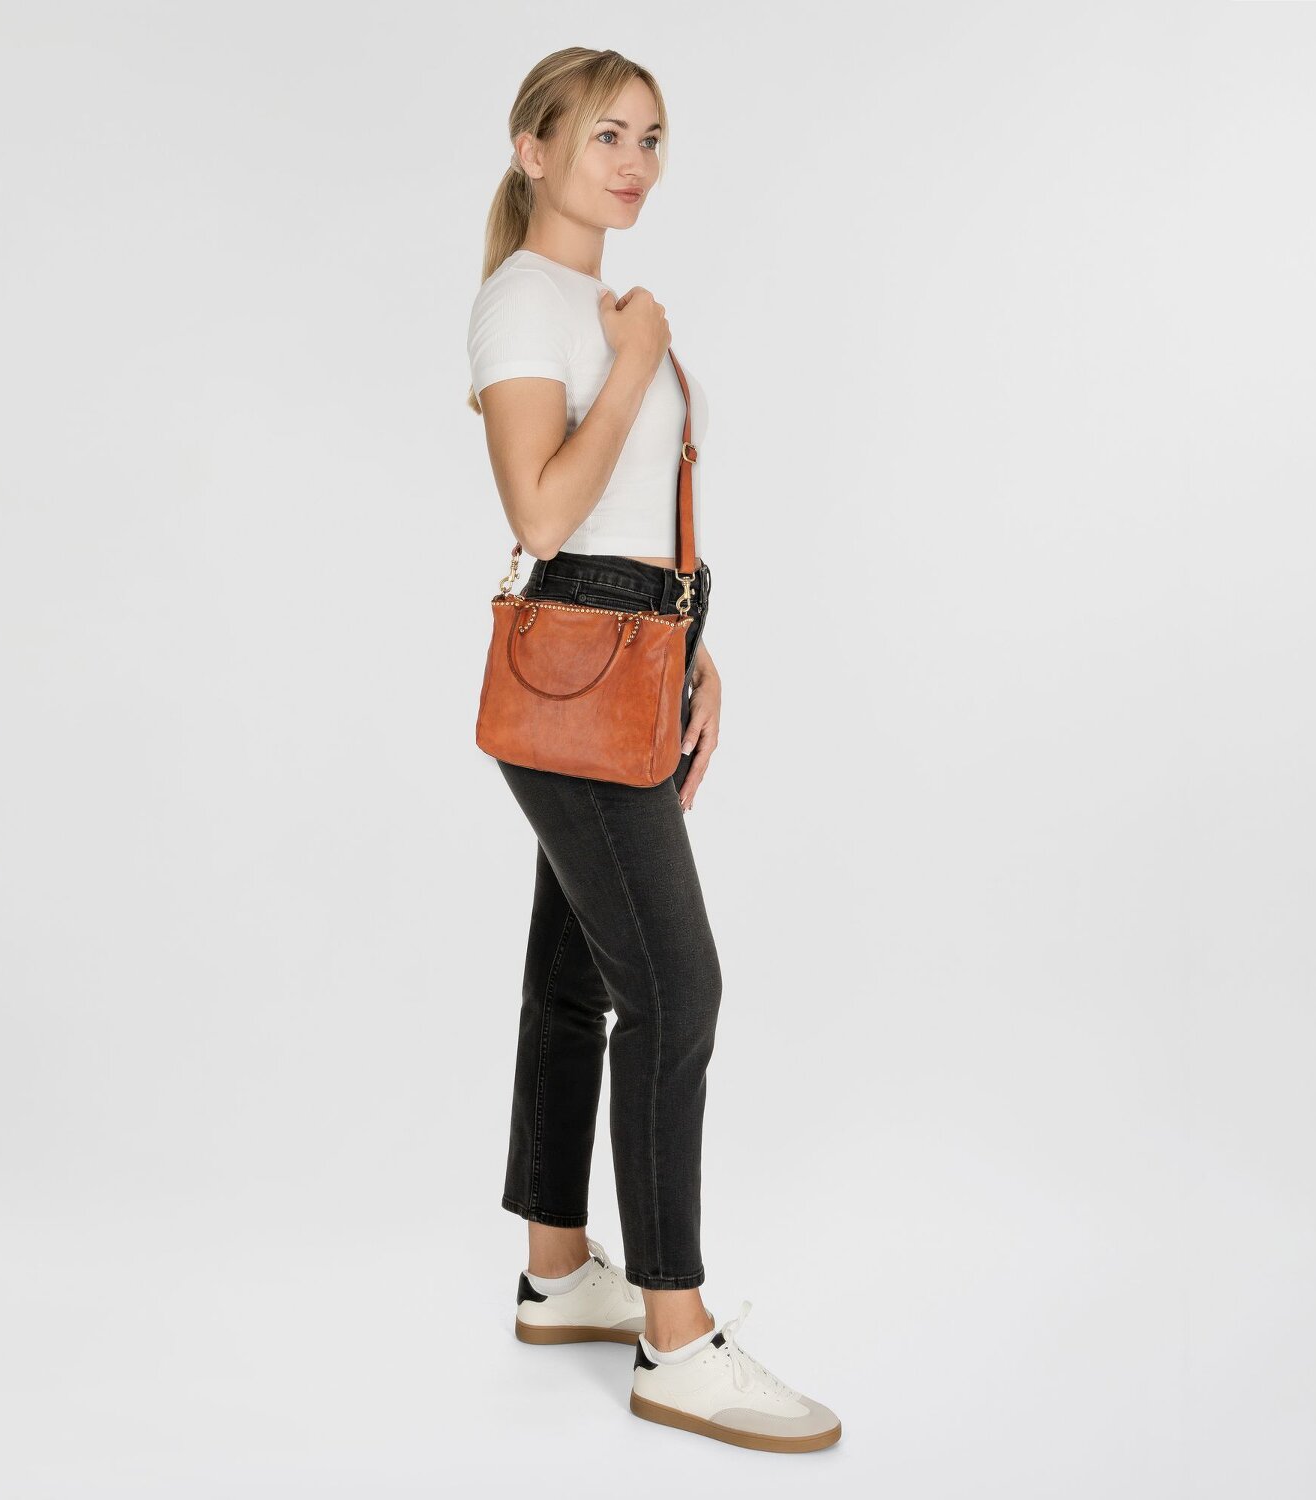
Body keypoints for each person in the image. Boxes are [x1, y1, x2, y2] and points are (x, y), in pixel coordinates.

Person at [464, 47, 841, 1455]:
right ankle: (676, 1339)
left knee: (576, 978)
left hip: (635, 662)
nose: (634, 162)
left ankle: (559, 1273)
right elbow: (543, 512)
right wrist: (630, 364)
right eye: (605, 136)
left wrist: (696, 654)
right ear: (534, 149)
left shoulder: (603, 304)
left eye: (652, 138)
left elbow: (636, 518)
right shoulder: (530, 303)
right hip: (576, 675)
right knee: (677, 991)